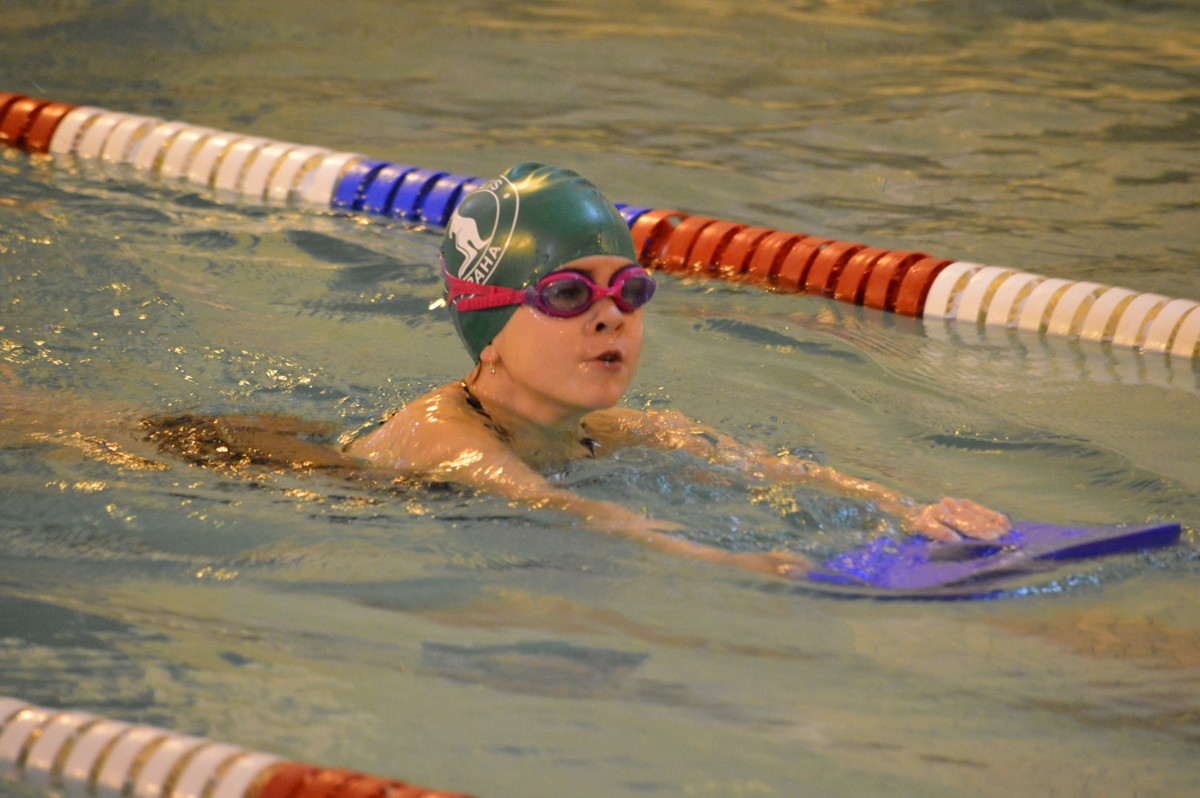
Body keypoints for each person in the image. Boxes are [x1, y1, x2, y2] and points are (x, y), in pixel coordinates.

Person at [343, 163, 1010, 579]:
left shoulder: (606, 430)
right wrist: (729, 563)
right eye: (569, 294)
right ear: (487, 328)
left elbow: (764, 468)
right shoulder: (444, 437)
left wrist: (908, 510)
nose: (610, 317)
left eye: (628, 290)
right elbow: (571, 510)